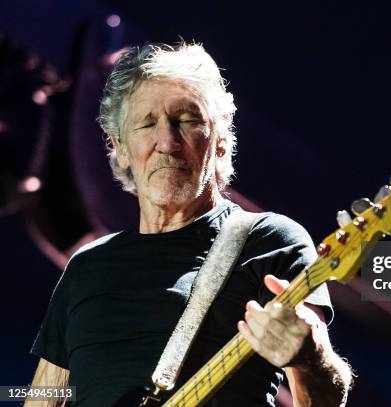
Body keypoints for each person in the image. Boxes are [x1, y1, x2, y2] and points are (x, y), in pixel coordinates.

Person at [27, 42, 353, 407]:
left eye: (187, 120)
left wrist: (310, 357)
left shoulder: (270, 240)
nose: (167, 142)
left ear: (220, 137)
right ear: (119, 146)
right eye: (146, 123)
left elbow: (325, 402)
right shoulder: (85, 267)